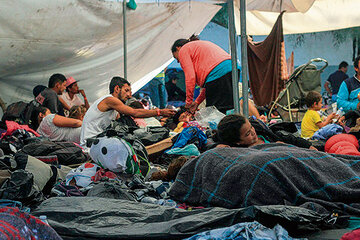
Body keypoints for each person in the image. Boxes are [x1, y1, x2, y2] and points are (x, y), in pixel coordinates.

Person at [80, 76, 176, 147]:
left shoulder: (114, 110)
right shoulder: (109, 100)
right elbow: (135, 113)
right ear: (117, 88)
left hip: (99, 142)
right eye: (126, 90)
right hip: (90, 145)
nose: (129, 95)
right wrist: (160, 112)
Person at [171, 35, 236, 114]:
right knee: (227, 108)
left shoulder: (184, 50)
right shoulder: (198, 47)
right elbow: (209, 84)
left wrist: (188, 103)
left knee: (215, 112)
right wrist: (197, 102)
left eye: (175, 57)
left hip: (219, 73)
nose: (178, 61)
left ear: (178, 48)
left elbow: (190, 78)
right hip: (232, 69)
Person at [216, 114, 316, 150]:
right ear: (238, 142)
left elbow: (287, 138)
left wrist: (308, 146)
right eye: (247, 134)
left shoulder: (265, 134)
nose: (252, 132)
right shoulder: (243, 151)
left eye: (251, 127)